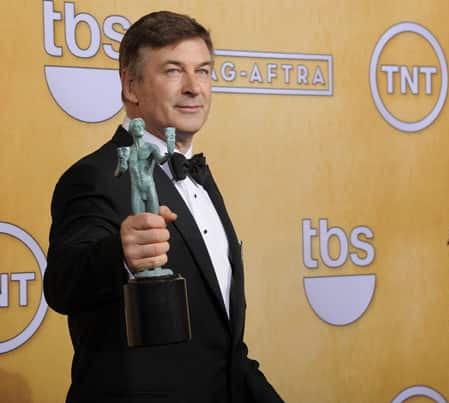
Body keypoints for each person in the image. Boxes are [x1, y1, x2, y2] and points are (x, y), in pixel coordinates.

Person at [44, 11, 283, 403]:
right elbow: (62, 285)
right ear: (131, 85)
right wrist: (119, 254)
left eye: (203, 71)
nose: (194, 88)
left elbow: (222, 344)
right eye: (173, 71)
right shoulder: (94, 176)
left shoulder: (200, 177)